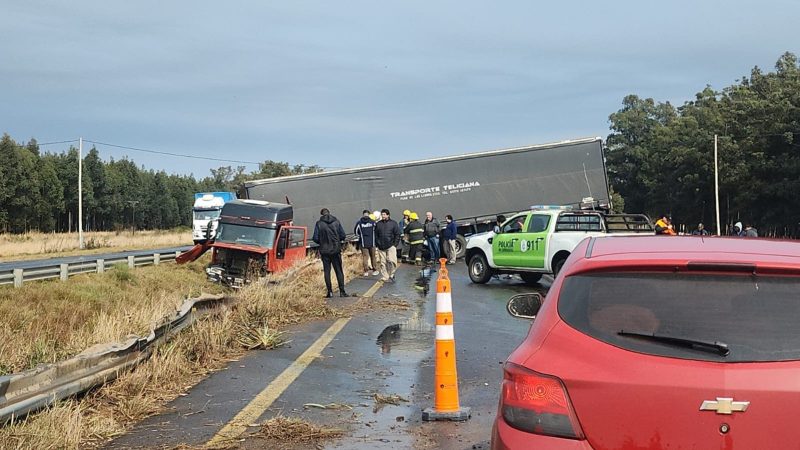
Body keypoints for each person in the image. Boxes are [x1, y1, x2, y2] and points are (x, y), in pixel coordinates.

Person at [312, 208, 349, 298]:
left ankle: (330, 292)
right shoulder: (336, 222)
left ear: (321, 214)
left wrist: (322, 242)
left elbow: (315, 238)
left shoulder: (319, 224)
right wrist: (337, 241)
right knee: (339, 271)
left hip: (325, 251)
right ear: (329, 213)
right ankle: (342, 291)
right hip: (336, 250)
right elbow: (343, 235)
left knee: (327, 271)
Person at [375, 209, 402, 282]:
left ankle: (392, 274)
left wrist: (395, 245)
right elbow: (376, 235)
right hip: (381, 246)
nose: (383, 216)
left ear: (388, 215)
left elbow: (397, 234)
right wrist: (377, 243)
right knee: (382, 262)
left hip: (391, 246)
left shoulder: (393, 223)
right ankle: (385, 276)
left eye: (384, 214)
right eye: (382, 214)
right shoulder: (378, 224)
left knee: (392, 261)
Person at [355, 209, 379, 276]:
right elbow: (377, 231)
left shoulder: (359, 223)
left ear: (363, 214)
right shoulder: (373, 222)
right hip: (372, 242)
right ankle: (375, 270)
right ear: (369, 214)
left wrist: (361, 236)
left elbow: (356, 232)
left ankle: (366, 271)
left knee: (365, 257)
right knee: (373, 256)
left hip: (363, 243)